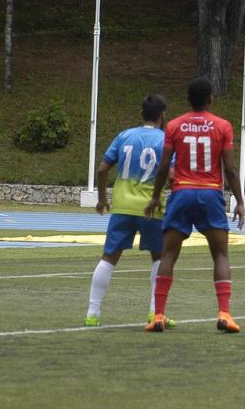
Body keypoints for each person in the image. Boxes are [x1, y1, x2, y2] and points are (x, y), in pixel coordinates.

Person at [143, 78, 245, 333]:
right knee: (220, 255)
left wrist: (156, 196)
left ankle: (158, 315)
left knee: (168, 255)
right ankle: (224, 314)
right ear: (210, 98)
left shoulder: (175, 125)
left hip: (182, 192)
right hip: (210, 194)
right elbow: (230, 169)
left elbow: (165, 166)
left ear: (189, 99)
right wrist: (240, 201)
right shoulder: (222, 126)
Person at [85, 94, 173, 327]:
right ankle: (156, 314)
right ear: (162, 116)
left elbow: (103, 169)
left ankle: (92, 313)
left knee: (109, 257)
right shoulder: (165, 140)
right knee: (159, 258)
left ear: (141, 114)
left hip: (122, 207)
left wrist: (103, 199)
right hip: (151, 208)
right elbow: (172, 175)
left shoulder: (124, 136)